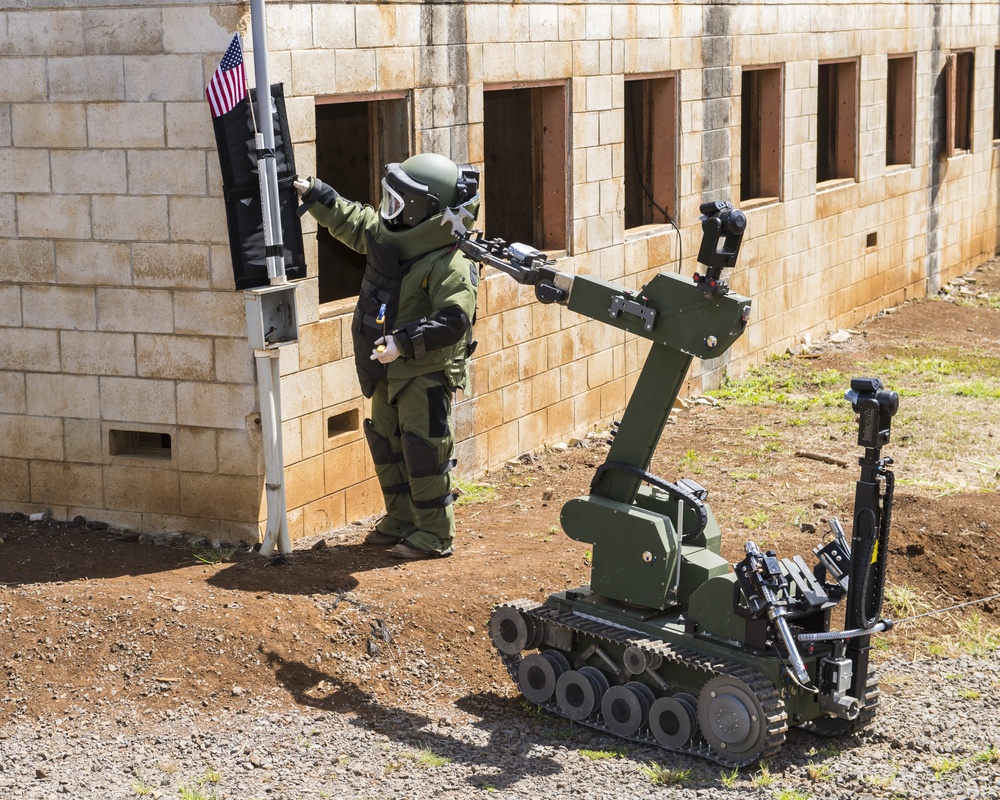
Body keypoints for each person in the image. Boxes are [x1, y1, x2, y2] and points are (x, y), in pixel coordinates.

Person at [294, 154, 481, 560]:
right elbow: (354, 220)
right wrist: (316, 193)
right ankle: (401, 518)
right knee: (386, 441)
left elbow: (454, 320)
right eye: (390, 200)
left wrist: (404, 341)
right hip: (387, 368)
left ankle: (434, 533)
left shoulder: (450, 262)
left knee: (423, 448)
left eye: (400, 203)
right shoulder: (390, 238)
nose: (390, 210)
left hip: (425, 372)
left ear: (426, 212)